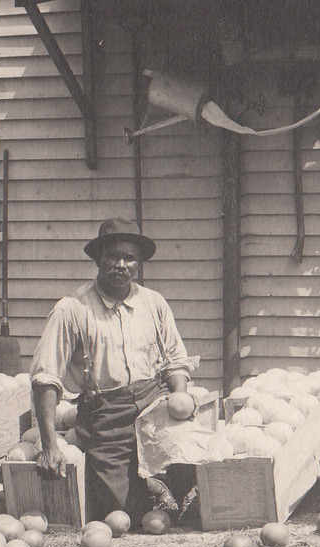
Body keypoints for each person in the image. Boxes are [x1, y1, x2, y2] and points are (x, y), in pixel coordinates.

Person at [29, 217, 197, 523]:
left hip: (152, 404)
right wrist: (50, 445)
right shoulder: (73, 308)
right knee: (122, 512)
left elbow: (176, 358)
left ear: (140, 263)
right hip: (105, 416)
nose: (121, 265)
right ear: (97, 259)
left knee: (190, 458)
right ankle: (143, 489)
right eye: (112, 256)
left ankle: (169, 486)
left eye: (130, 258)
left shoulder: (153, 303)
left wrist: (179, 400)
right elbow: (45, 377)